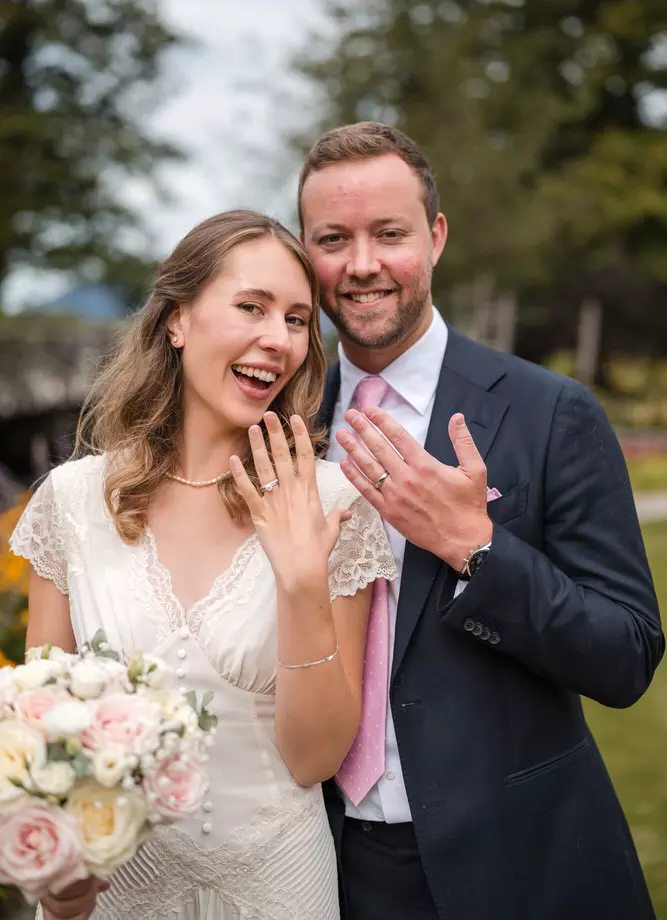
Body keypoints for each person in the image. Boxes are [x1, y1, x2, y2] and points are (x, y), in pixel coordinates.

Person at [298, 121, 664, 920]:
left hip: (520, 862)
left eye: (388, 234)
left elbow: (627, 655)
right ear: (306, 254)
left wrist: (478, 548)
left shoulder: (550, 412)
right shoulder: (285, 427)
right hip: (324, 867)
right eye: (333, 238)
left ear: (434, 237)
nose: (361, 264)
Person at [10, 210, 396, 920]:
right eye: (250, 307)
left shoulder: (335, 502)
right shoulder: (71, 502)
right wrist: (63, 887)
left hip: (276, 882)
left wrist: (302, 582)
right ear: (177, 320)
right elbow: (43, 737)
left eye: (295, 319)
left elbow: (314, 760)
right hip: (111, 892)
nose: (276, 339)